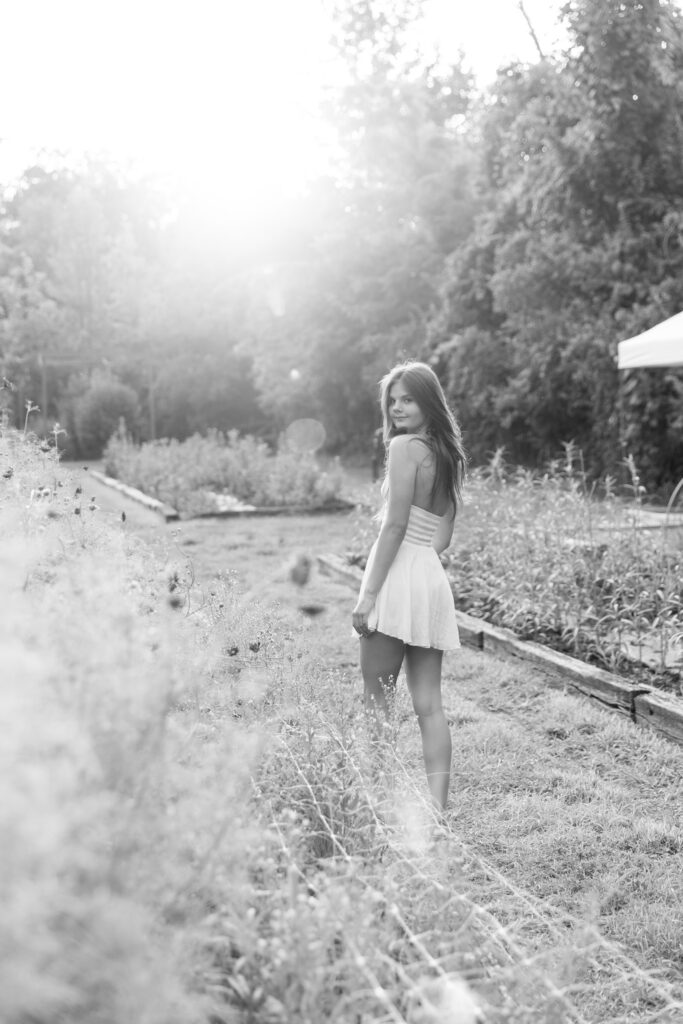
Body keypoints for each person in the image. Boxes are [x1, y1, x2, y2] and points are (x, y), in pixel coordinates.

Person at [352, 361, 466, 812]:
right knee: (428, 704)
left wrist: (368, 594)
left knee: (376, 700)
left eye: (407, 399)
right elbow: (442, 537)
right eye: (392, 401)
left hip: (399, 575)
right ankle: (438, 810)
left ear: (428, 401)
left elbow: (395, 525)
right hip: (429, 577)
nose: (397, 408)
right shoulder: (448, 454)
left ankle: (373, 803)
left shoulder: (404, 448)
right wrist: (420, 560)